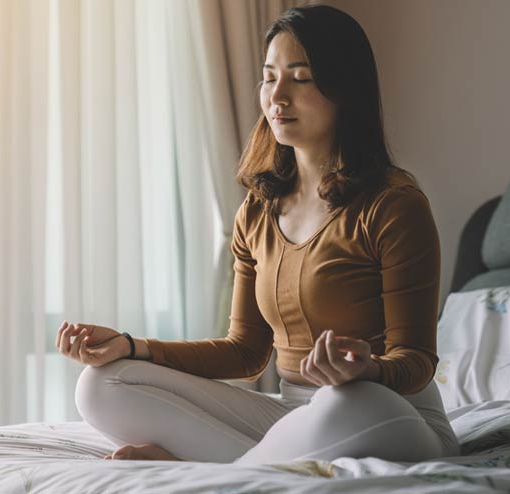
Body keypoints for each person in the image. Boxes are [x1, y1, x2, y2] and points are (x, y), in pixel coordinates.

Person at [54, 4, 460, 465]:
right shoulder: (258, 211)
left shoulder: (394, 204)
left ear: (345, 89)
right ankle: (260, 463)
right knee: (102, 383)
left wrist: (368, 369)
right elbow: (246, 352)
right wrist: (131, 346)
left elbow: (417, 361)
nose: (277, 97)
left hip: (388, 411)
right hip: (291, 418)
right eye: (269, 77)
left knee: (347, 400)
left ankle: (211, 468)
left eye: (301, 77)